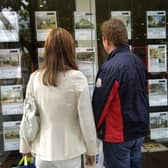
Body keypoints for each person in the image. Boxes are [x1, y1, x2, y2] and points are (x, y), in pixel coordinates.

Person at [20, 27, 97, 168]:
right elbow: (86, 120)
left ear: (47, 49)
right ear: (69, 49)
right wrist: (92, 150)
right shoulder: (77, 78)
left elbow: (28, 117)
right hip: (70, 153)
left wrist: (25, 147)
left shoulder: (35, 78)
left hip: (42, 152)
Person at [92, 18, 149, 168]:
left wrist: (92, 131)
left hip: (118, 136)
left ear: (106, 40)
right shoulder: (138, 62)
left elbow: (100, 105)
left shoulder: (110, 68)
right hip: (138, 132)